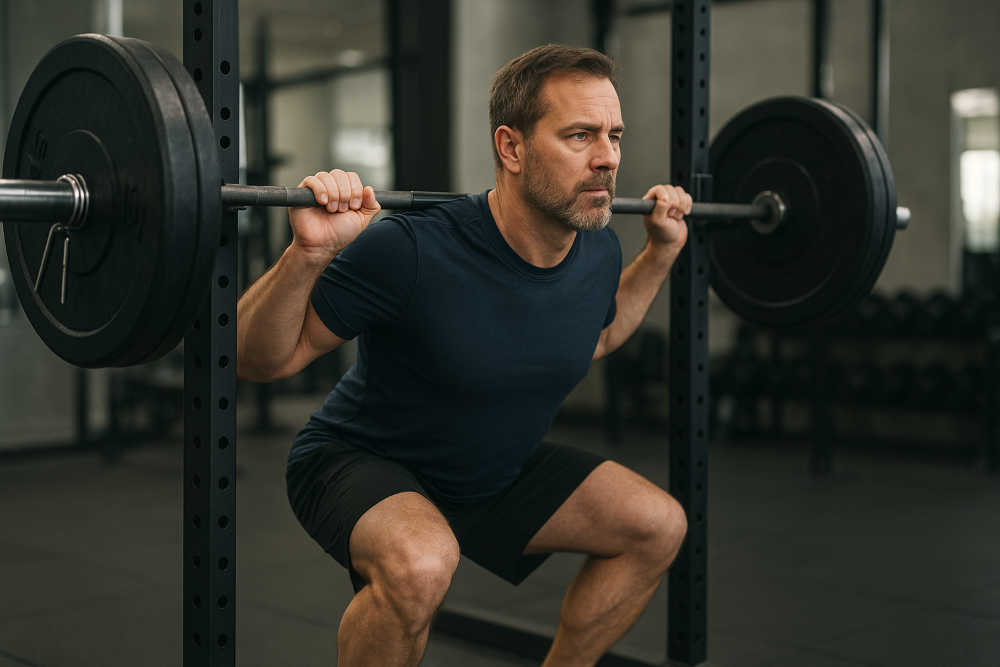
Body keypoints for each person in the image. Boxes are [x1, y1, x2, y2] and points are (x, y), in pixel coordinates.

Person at [237, 43, 693, 667]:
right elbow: (258, 361)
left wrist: (661, 254)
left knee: (657, 524)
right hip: (361, 460)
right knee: (422, 563)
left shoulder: (599, 250)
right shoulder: (411, 250)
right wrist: (307, 256)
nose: (608, 158)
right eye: (581, 135)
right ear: (511, 148)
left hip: (490, 474)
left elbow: (594, 338)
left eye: (614, 135)